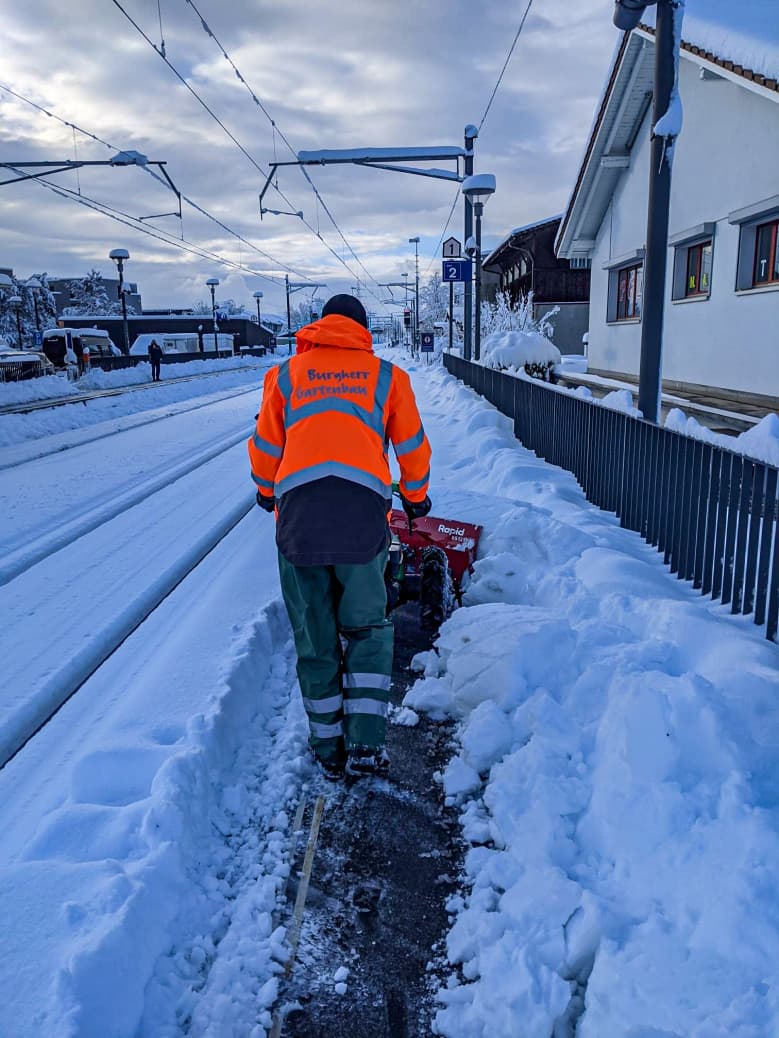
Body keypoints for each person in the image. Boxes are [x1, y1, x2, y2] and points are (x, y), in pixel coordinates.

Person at [248, 294, 431, 780]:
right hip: (362, 519)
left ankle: (327, 750)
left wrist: (267, 491)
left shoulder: (286, 375)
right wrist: (416, 496)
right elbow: (412, 446)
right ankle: (366, 743)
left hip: (299, 522)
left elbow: (267, 443)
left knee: (316, 637)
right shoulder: (388, 377)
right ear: (363, 330)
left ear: (320, 326)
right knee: (368, 626)